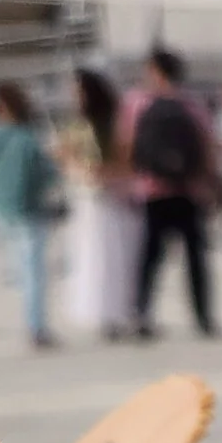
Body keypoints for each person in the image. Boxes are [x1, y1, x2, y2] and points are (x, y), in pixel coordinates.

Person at [128, 46, 217, 339]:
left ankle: (141, 314)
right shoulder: (192, 105)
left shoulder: (139, 103)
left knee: (150, 257)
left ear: (155, 71)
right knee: (195, 257)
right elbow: (207, 148)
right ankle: (203, 317)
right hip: (188, 189)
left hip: (153, 190)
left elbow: (128, 145)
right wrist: (209, 185)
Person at [0, 82, 60, 349]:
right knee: (33, 273)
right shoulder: (27, 139)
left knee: (21, 272)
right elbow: (47, 175)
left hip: (1, 210)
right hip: (29, 211)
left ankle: (33, 323)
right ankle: (36, 327)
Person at [57, 67, 139, 338]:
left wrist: (105, 173)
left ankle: (121, 311)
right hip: (89, 200)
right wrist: (79, 169)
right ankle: (101, 312)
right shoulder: (77, 126)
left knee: (116, 259)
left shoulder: (115, 124)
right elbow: (66, 157)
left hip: (113, 198)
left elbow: (126, 161)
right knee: (93, 259)